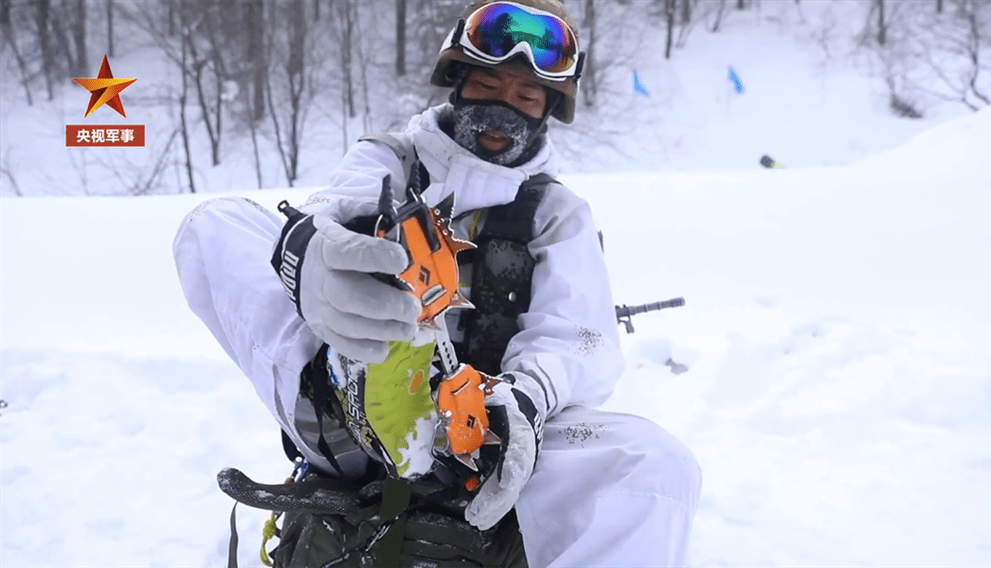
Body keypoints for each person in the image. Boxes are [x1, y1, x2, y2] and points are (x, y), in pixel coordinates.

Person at [173, 1, 701, 566]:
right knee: (214, 224)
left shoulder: (558, 214)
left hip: (488, 443)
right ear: (459, 81)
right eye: (491, 84)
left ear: (549, 108)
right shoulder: (388, 159)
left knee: (656, 466)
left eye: (526, 96)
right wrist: (320, 258)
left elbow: (576, 339)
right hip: (338, 420)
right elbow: (340, 204)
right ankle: (357, 380)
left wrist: (518, 402)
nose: (504, 109)